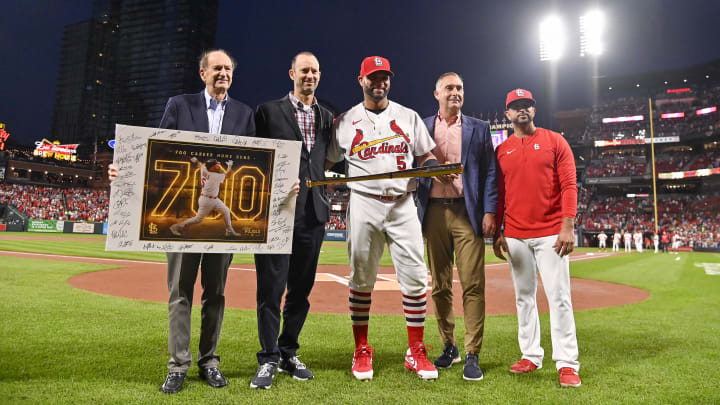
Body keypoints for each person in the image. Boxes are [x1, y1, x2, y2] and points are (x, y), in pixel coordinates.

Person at [109, 49, 255, 394]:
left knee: (216, 293)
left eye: (228, 69)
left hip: (221, 221)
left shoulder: (245, 114)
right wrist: (125, 172)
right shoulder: (179, 105)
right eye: (217, 68)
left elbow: (259, 160)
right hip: (181, 205)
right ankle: (178, 365)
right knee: (180, 293)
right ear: (203, 72)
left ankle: (209, 362)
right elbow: (158, 153)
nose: (223, 73)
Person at [326, 56, 439, 381]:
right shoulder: (345, 121)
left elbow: (425, 155)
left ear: (390, 80)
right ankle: (361, 348)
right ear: (361, 80)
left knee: (416, 278)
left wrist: (430, 165)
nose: (379, 83)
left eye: (384, 77)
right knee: (361, 278)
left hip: (404, 203)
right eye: (373, 77)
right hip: (363, 202)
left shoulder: (409, 116)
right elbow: (328, 158)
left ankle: (415, 350)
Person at [249, 52, 334, 389]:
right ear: (292, 74)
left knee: (301, 291)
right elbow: (252, 157)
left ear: (319, 75)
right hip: (276, 213)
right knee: (271, 290)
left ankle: (288, 351)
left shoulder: (327, 117)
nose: (309, 75)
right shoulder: (268, 112)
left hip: (314, 214)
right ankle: (268, 357)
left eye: (314, 70)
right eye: (304, 71)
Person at [493, 88, 581, 388]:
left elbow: (570, 184)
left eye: (526, 105)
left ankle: (567, 363)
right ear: (507, 113)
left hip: (551, 233)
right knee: (523, 298)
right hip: (516, 234)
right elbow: (500, 195)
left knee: (559, 297)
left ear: (534, 109)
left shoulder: (555, 140)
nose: (521, 110)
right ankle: (531, 354)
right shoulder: (501, 149)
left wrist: (567, 226)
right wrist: (499, 232)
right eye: (515, 107)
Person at [415, 72, 497, 381]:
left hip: (467, 213)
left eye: (460, 88)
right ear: (436, 93)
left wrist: (490, 211)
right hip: (434, 211)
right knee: (440, 286)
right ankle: (449, 346)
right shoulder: (422, 126)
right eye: (449, 88)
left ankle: (473, 353)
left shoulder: (479, 128)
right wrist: (429, 171)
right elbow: (411, 165)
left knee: (473, 284)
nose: (455, 92)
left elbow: (490, 173)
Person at [169, 157, 240, 238]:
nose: (218, 166)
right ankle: (176, 227)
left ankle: (229, 231)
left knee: (226, 210)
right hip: (207, 201)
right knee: (198, 219)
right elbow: (228, 175)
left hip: (214, 199)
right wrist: (230, 166)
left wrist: (196, 160)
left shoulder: (204, 169)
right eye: (216, 165)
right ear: (212, 167)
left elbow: (200, 164)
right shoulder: (214, 175)